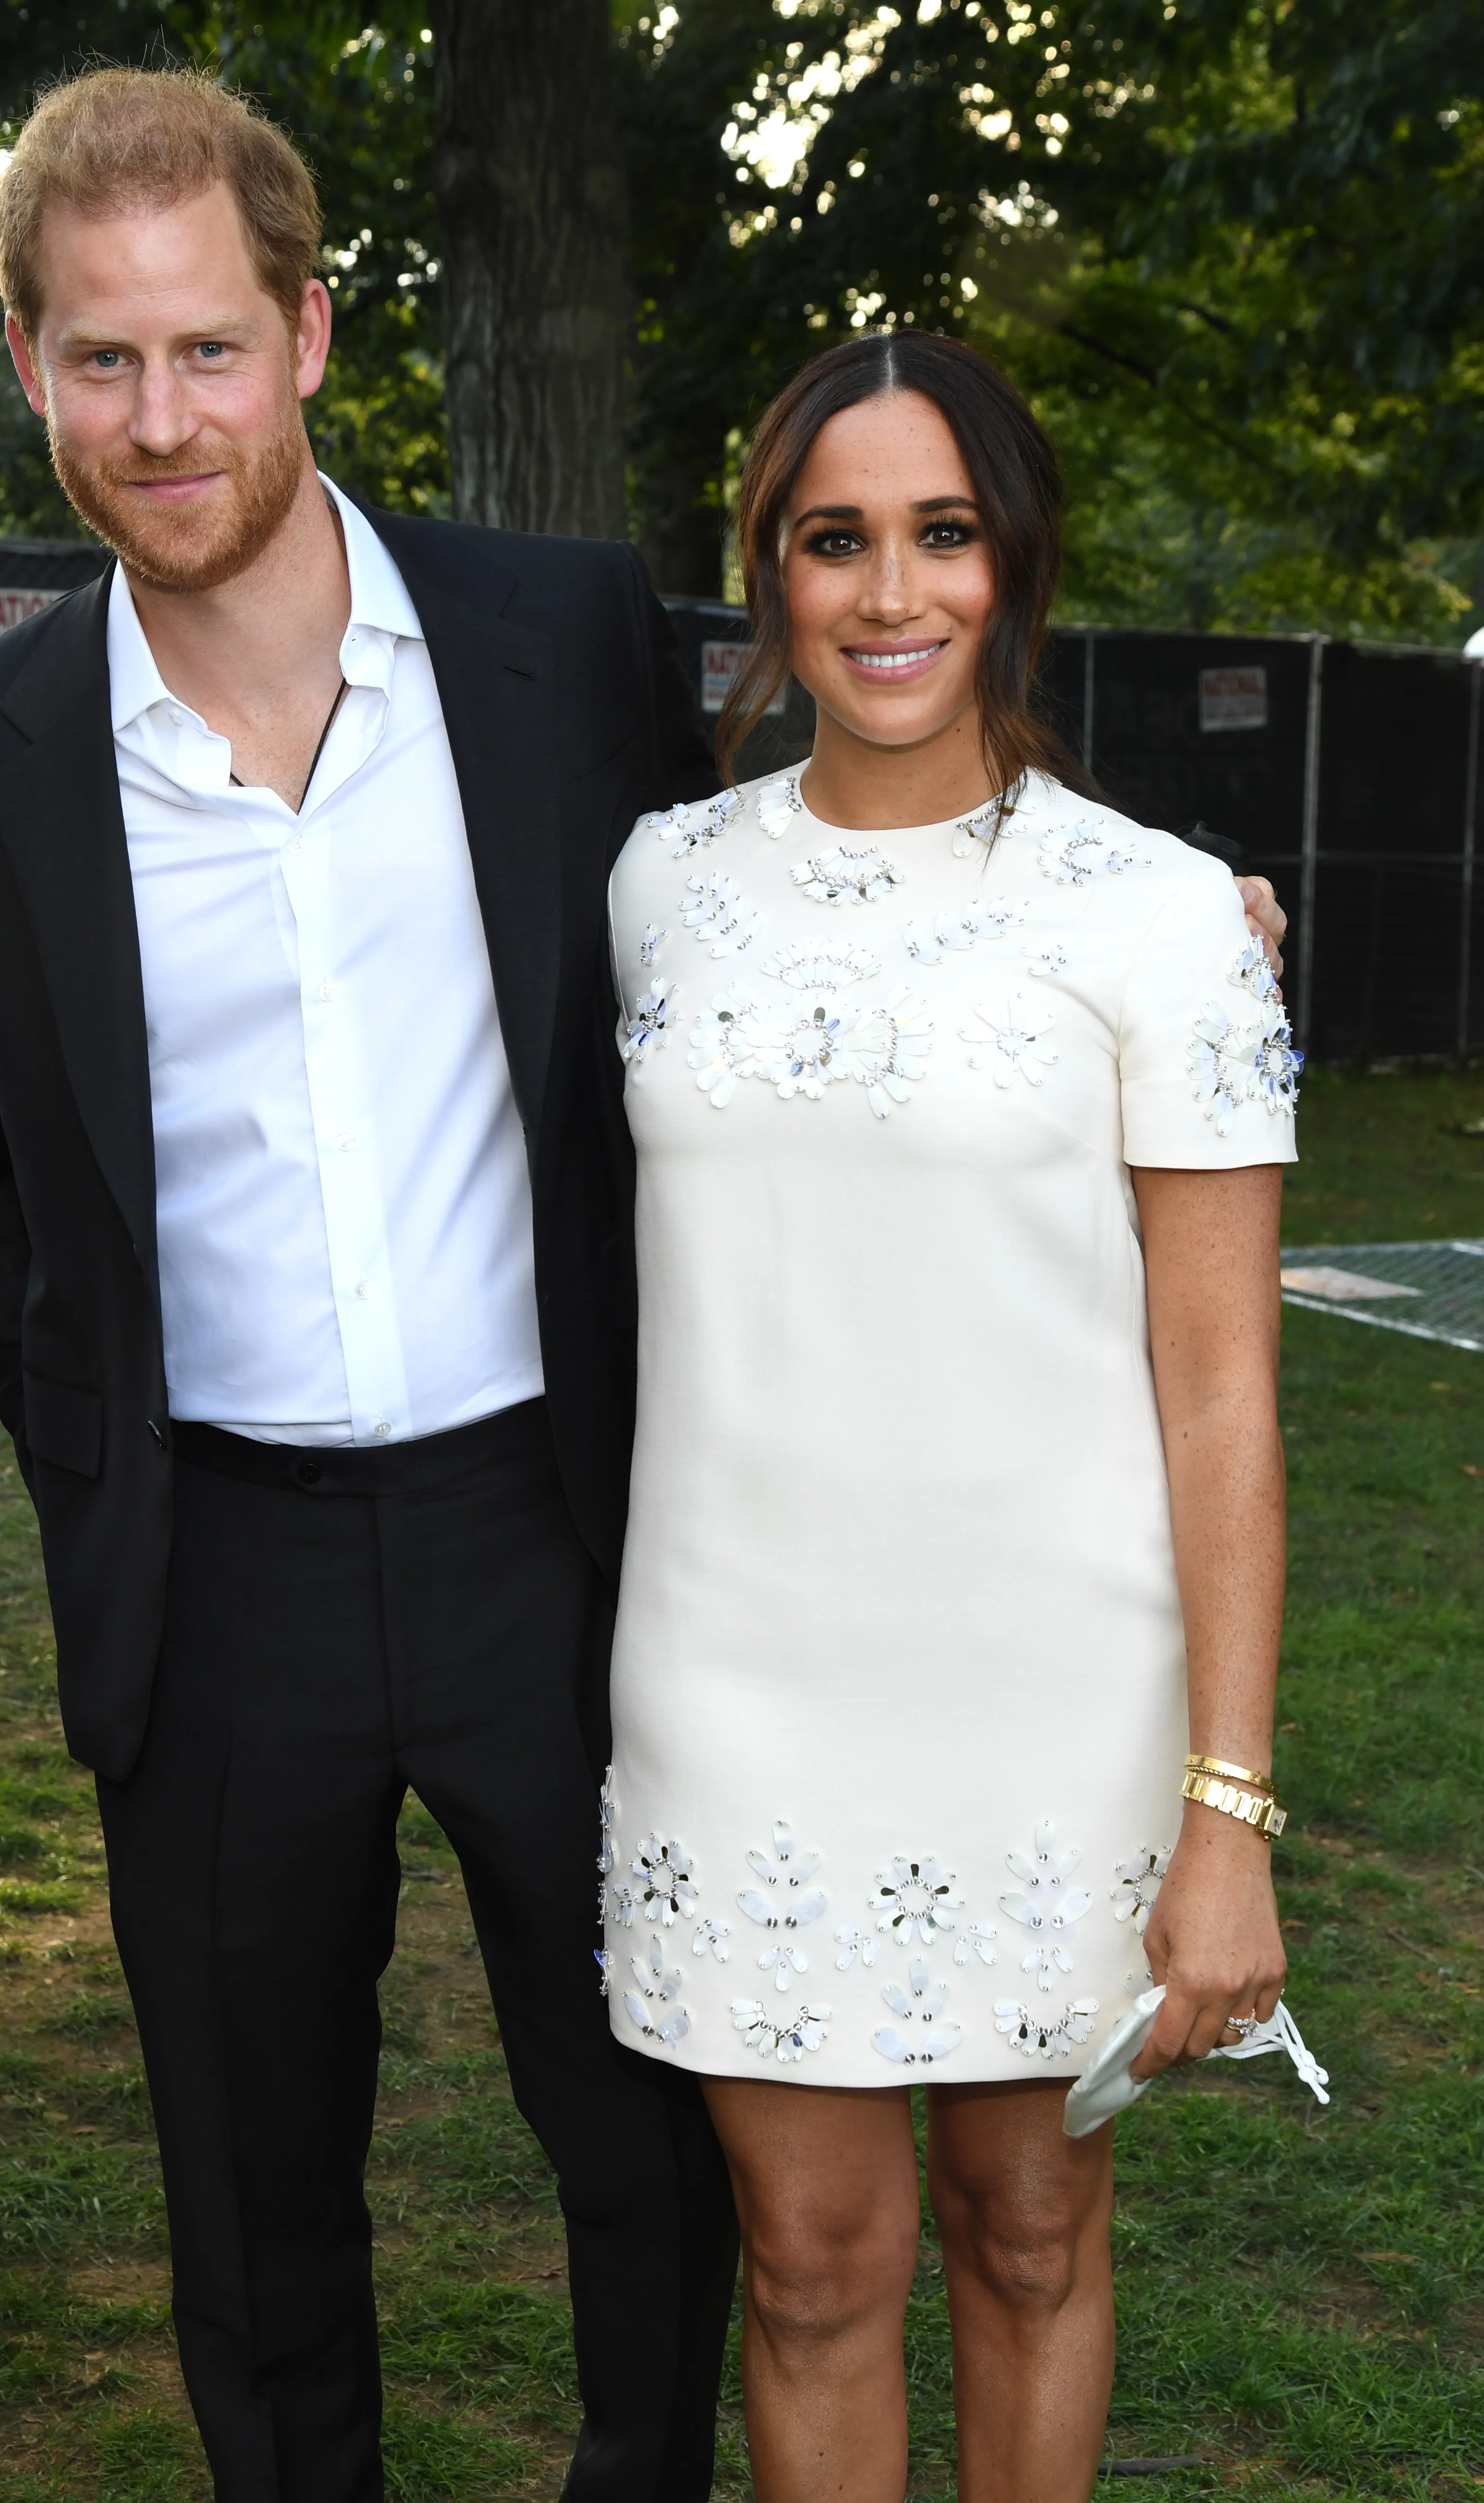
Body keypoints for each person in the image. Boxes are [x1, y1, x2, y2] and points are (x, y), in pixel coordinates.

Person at [0, 67, 738, 2503]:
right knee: (253, 2213)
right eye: (100, 358)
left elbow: (759, 943)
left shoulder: (559, 635)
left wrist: (1108, 902)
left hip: (557, 1535)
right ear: (31, 371)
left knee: (651, 2148)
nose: (161, 418)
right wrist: (107, 1484)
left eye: (208, 348)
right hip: (216, 1575)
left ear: (312, 334)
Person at [600, 332, 1297, 2503]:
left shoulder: (1165, 916)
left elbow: (1222, 1395)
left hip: (1057, 1702)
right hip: (735, 1689)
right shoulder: (654, 884)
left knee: (1028, 2227)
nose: (889, 592)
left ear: (1014, 563)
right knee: (808, 2264)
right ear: (768, 572)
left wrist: (1229, 1807)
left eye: (943, 533)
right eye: (835, 539)